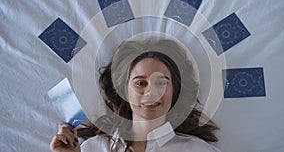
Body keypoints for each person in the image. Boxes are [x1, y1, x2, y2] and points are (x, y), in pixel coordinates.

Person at [50, 37, 220, 152]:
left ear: (174, 90)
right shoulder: (94, 148)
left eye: (161, 82)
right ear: (123, 90)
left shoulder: (197, 149)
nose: (151, 92)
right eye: (140, 83)